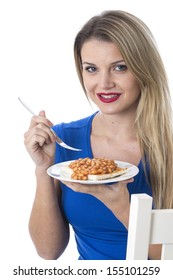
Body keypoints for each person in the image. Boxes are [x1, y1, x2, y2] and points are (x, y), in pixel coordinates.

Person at [24, 10, 173, 260]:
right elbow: (48, 251)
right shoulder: (63, 140)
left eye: (120, 67)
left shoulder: (169, 145)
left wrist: (122, 207)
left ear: (143, 69)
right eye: (91, 69)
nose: (104, 83)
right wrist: (43, 169)